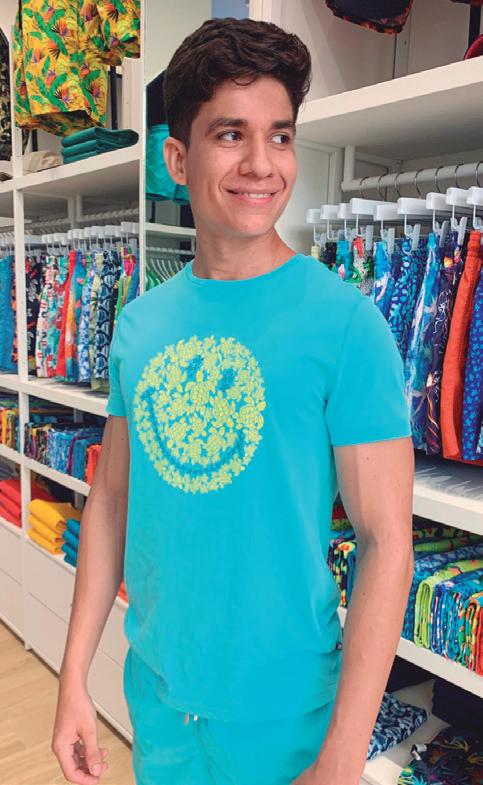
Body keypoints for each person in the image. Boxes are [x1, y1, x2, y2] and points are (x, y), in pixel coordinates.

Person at [51, 16, 415, 785]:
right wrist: (73, 676)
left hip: (287, 720)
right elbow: (110, 500)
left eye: (279, 136)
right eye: (230, 134)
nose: (261, 163)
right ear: (177, 159)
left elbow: (386, 542)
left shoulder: (346, 325)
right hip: (158, 701)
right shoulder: (140, 324)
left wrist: (340, 757)